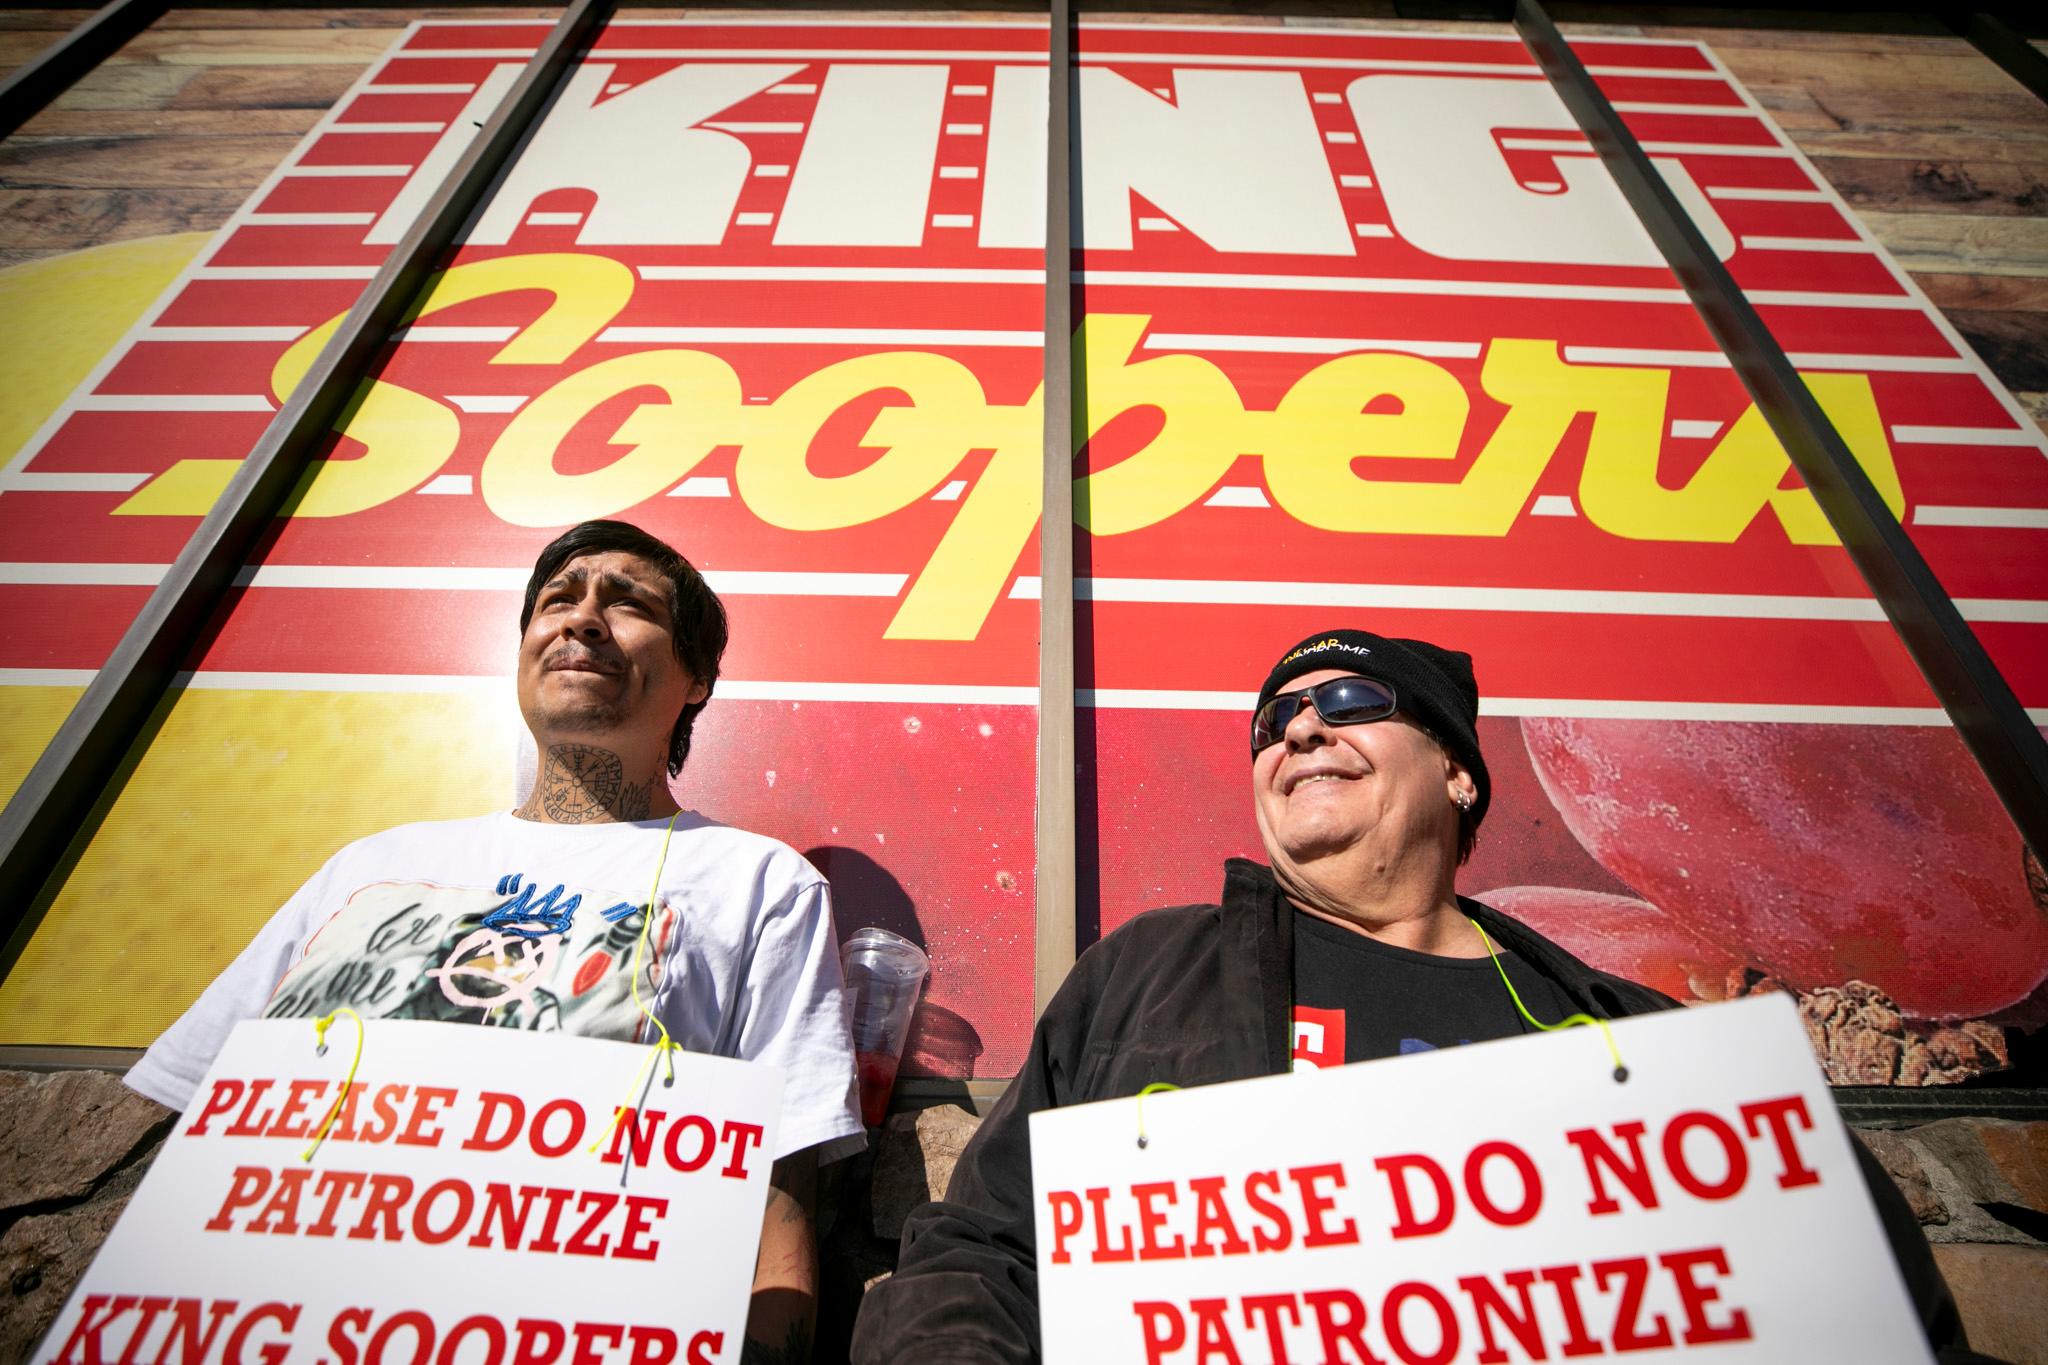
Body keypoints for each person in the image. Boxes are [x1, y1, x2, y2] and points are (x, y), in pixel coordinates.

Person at [852, 627, 1988, 1364]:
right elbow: (976, 1252)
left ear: (1456, 769)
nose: (1298, 727)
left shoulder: (1630, 1039)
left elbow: (1857, 1301)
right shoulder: (1143, 974)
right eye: (1272, 722)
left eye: (1347, 700)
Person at [128, 519, 861, 1364]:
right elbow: (205, 1130)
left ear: (696, 678)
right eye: (557, 599)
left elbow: (779, 1178)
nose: (581, 619)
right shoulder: (372, 866)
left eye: (626, 605)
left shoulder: (757, 882)